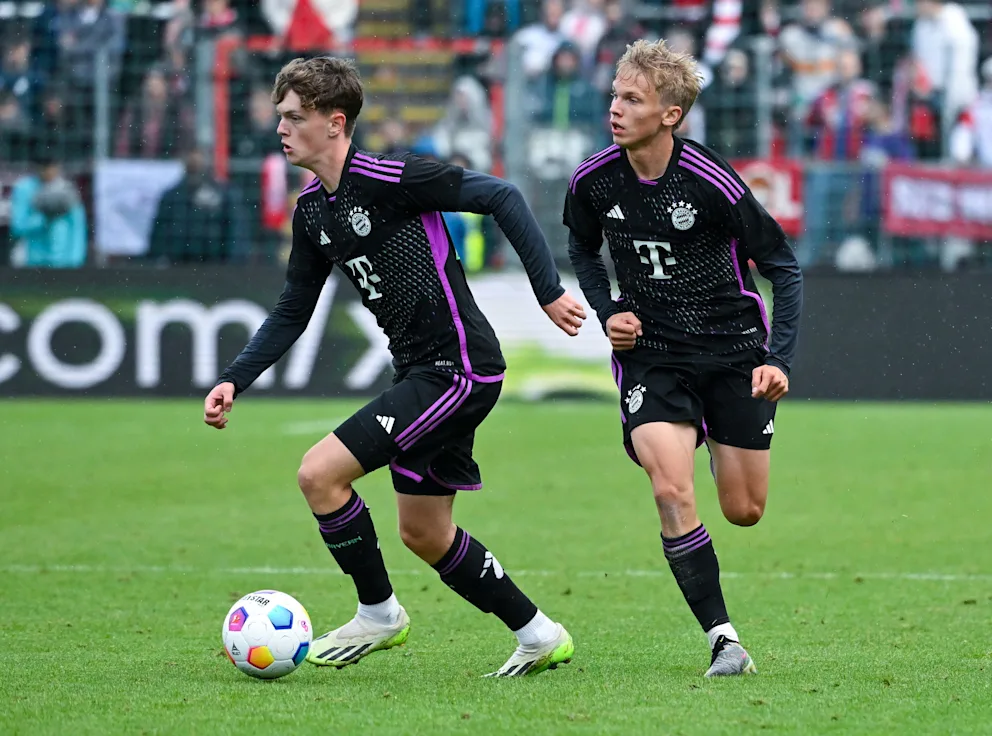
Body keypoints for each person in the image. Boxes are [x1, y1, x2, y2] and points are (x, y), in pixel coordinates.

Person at [203, 56, 587, 677]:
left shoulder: (393, 176)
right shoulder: (312, 211)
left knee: (319, 475)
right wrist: (234, 377)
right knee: (425, 532)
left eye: (294, 117)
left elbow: (502, 195)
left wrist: (548, 291)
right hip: (419, 372)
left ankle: (379, 614)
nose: (281, 128)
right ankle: (540, 634)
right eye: (281, 116)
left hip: (459, 368)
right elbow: (294, 311)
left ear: (335, 123)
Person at [564, 39, 803, 677]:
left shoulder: (710, 181)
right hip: (653, 356)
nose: (615, 109)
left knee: (743, 511)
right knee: (670, 488)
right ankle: (724, 640)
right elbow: (583, 249)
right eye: (615, 95)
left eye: (632, 99)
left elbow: (782, 266)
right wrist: (607, 309)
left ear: (670, 115)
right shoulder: (593, 179)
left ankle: (713, 432)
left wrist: (778, 359)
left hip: (732, 352)